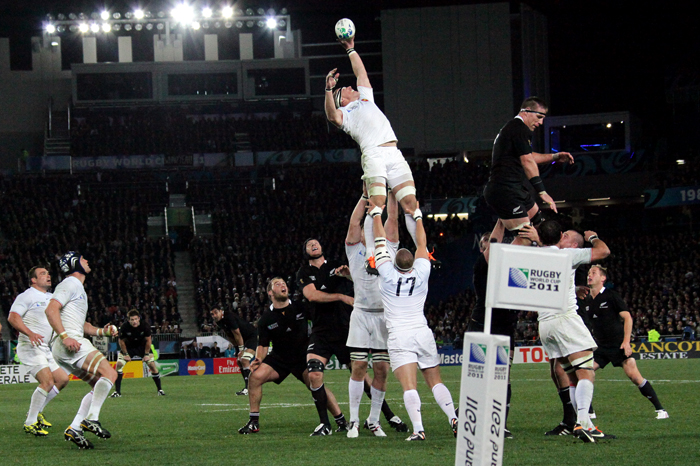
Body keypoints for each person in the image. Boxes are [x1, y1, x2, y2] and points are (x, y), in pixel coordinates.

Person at [325, 33, 424, 272]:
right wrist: (328, 90)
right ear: (342, 100)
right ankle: (372, 256)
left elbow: (361, 73)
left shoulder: (366, 100)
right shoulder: (346, 116)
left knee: (411, 204)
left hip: (394, 153)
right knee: (376, 203)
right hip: (374, 156)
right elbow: (331, 115)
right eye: (344, 89)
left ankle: (424, 253)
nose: (349, 86)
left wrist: (351, 49)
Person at [518, 222, 614, 443]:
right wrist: (593, 236)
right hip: (564, 319)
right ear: (561, 237)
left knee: (571, 376)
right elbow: (604, 251)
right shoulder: (567, 255)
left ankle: (586, 424)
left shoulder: (533, 255)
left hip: (545, 325)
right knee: (587, 372)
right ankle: (582, 422)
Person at [370, 201, 458, 441]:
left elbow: (380, 240)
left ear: (394, 261)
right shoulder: (422, 270)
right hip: (422, 332)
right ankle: (454, 417)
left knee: (410, 386)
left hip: (400, 335)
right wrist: (417, 216)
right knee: (435, 380)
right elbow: (422, 243)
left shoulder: (386, 274)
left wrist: (376, 213)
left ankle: (419, 429)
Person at [344, 189, 407, 438]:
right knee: (358, 365)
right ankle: (353, 421)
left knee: (381, 370)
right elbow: (353, 221)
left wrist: (391, 192)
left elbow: (393, 217)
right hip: (361, 313)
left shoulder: (388, 247)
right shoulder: (353, 249)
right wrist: (364, 196)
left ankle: (373, 420)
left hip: (383, 315)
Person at [45, 252, 119, 449]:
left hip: (65, 346)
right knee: (110, 373)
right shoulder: (70, 284)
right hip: (69, 343)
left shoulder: (77, 287)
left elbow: (82, 325)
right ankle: (91, 418)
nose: (87, 260)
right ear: (74, 263)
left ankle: (75, 427)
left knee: (98, 385)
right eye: (83, 258)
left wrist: (103, 331)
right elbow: (50, 310)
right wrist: (65, 336)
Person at [483, 97, 574, 242]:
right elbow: (527, 161)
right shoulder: (519, 128)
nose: (540, 123)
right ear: (525, 112)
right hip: (505, 190)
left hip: (516, 189)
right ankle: (498, 265)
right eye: (539, 117)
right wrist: (542, 192)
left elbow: (529, 156)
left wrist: (555, 156)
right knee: (526, 238)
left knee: (542, 229)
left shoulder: (515, 129)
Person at [584, 265, 669, 419]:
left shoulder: (611, 296)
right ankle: (589, 412)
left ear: (603, 278)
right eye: (589, 273)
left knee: (635, 377)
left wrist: (626, 342)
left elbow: (627, 317)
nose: (589, 275)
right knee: (583, 373)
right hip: (600, 347)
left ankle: (661, 410)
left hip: (618, 344)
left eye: (593, 273)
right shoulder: (588, 300)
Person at [237, 278, 315, 435]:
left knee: (316, 384)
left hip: (301, 357)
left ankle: (340, 419)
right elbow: (263, 345)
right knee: (255, 377)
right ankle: (254, 422)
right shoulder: (266, 318)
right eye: (277, 284)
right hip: (279, 358)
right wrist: (258, 359)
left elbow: (319, 322)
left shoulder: (300, 307)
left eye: (284, 283)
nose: (283, 285)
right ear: (270, 293)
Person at [466, 223, 518, 438]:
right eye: (486, 247)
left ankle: (500, 424)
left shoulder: (509, 267)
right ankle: (473, 419)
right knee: (478, 376)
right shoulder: (481, 264)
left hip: (505, 327)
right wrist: (502, 221)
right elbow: (495, 246)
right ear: (482, 249)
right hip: (482, 324)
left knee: (503, 377)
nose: (490, 250)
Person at [297, 238, 353, 436]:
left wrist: (349, 275)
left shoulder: (337, 264)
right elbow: (312, 296)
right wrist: (340, 296)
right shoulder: (304, 273)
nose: (313, 244)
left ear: (322, 247)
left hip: (344, 328)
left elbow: (359, 280)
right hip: (320, 331)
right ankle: (325, 424)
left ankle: (386, 416)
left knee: (360, 374)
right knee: (313, 373)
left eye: (316, 242)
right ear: (306, 251)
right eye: (309, 244)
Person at [8, 265, 69, 436]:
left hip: (45, 348)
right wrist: (30, 333)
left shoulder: (51, 298)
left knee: (62, 379)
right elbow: (13, 317)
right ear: (33, 280)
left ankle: (36, 412)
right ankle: (30, 422)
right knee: (47, 382)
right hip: (30, 346)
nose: (48, 276)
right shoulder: (26, 296)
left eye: (48, 273)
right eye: (43, 274)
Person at [111, 309, 165, 398]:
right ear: (129, 320)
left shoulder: (145, 326)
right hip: (129, 348)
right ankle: (117, 392)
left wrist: (147, 354)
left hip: (142, 347)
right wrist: (125, 354)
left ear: (139, 318)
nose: (134, 321)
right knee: (119, 364)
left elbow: (148, 340)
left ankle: (160, 390)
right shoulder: (124, 327)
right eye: (132, 320)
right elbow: (121, 341)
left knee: (152, 365)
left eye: (135, 319)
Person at [210, 306, 257, 396]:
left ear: (221, 311)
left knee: (244, 360)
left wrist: (241, 349)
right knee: (239, 361)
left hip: (252, 336)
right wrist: (237, 350)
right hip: (244, 339)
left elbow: (237, 334)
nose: (214, 315)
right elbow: (230, 336)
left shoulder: (229, 317)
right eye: (212, 314)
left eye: (215, 312)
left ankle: (249, 388)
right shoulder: (219, 321)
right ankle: (248, 387)